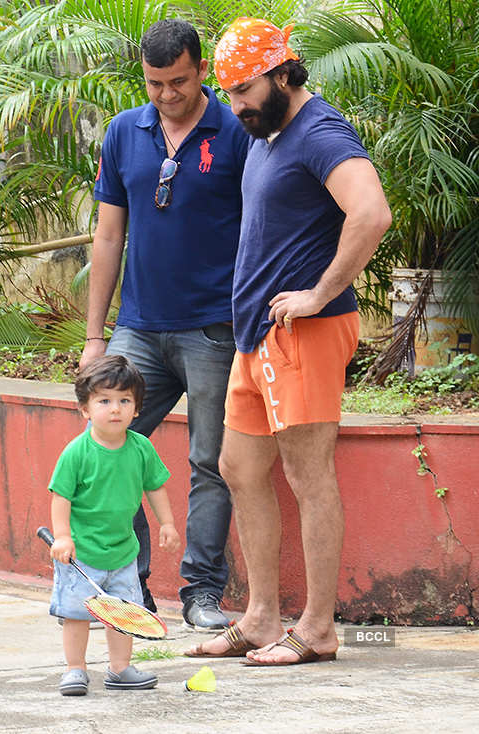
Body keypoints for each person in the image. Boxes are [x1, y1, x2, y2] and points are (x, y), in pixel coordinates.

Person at [185, 18, 392, 664]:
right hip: (258, 335)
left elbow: (372, 212)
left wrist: (319, 293)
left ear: (282, 72)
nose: (235, 105)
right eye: (228, 93)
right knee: (239, 469)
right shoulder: (269, 134)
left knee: (307, 475)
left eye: (244, 89)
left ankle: (320, 628)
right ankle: (260, 617)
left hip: (305, 332)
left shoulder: (320, 132)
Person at [81, 18, 249, 630]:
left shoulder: (235, 132)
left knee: (212, 461)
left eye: (178, 81)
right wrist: (96, 334)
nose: (167, 95)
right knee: (109, 447)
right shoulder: (125, 131)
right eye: (155, 83)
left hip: (214, 327)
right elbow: (107, 234)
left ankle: (201, 592)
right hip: (139, 328)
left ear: (201, 71)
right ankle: (130, 587)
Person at [48, 355, 181, 695]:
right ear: (85, 409)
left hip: (123, 551)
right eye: (104, 401)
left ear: (137, 409)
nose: (115, 409)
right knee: (77, 615)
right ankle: (75, 669)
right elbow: (60, 497)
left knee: (123, 614)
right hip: (81, 553)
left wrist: (167, 523)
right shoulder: (77, 452)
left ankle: (119, 668)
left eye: (125, 400)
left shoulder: (141, 448)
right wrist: (62, 537)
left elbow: (155, 486)